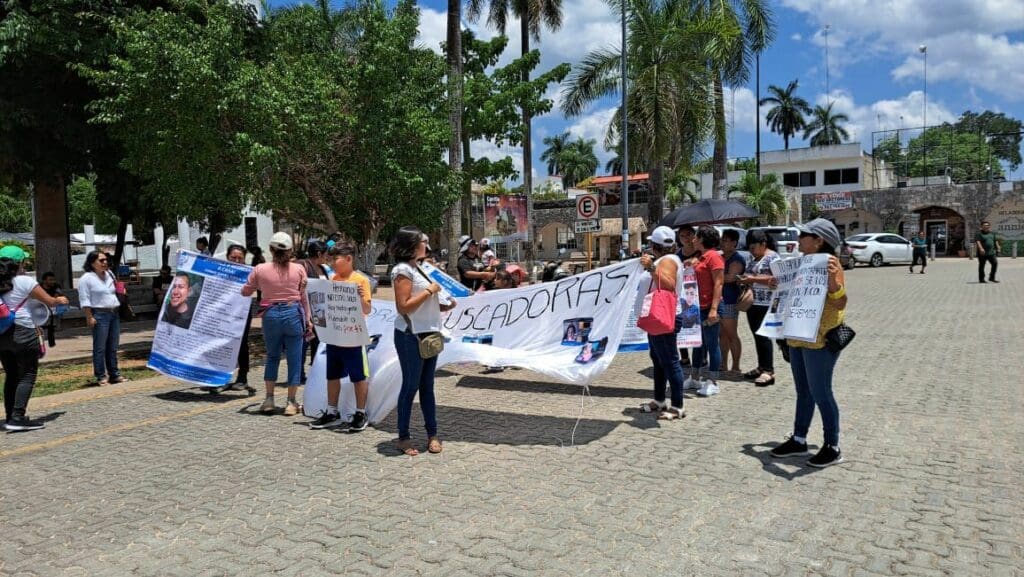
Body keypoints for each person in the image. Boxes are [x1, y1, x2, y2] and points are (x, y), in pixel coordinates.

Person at [770, 218, 848, 468]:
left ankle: (832, 446)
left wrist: (835, 284)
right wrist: (778, 283)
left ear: (818, 241)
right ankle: (799, 438)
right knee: (803, 391)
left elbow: (841, 303)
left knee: (821, 392)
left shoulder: (831, 265)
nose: (798, 237)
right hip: (797, 336)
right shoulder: (800, 263)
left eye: (804, 234)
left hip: (820, 339)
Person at [392, 226, 456, 455]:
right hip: (411, 335)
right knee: (410, 387)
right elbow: (404, 307)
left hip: (429, 333)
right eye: (423, 241)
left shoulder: (419, 268)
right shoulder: (402, 270)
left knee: (427, 387)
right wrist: (429, 291)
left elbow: (421, 302)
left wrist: (443, 304)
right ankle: (403, 437)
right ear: (411, 245)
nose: (427, 245)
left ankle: (433, 434)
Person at [241, 232, 312, 416]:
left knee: (272, 357)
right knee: (294, 358)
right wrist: (308, 319)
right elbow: (303, 297)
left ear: (271, 249)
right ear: (290, 251)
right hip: (293, 313)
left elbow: (245, 291)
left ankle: (269, 399)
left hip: (270, 314)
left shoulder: (260, 269)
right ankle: (291, 402)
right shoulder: (299, 269)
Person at [0, 247, 69, 430]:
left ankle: (10, 416)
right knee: (27, 374)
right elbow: (49, 301)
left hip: (2, 334)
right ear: (19, 263)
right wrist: (60, 300)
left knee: (12, 375)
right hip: (23, 331)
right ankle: (17, 418)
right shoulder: (23, 280)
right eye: (24, 261)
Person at [310, 240, 374, 432]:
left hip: (354, 337)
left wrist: (362, 297)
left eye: (335, 258)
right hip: (335, 336)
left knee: (358, 376)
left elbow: (367, 309)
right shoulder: (333, 280)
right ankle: (332, 411)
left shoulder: (361, 281)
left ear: (348, 259)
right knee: (333, 375)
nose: (332, 262)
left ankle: (360, 413)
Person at [637, 226, 686, 420]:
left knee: (669, 361)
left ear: (653, 245)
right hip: (659, 317)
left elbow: (668, 284)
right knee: (658, 359)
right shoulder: (667, 259)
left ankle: (677, 406)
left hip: (664, 317)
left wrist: (651, 267)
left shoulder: (667, 261)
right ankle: (659, 400)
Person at [685, 225, 724, 397]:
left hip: (710, 307)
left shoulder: (714, 257)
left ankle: (713, 381)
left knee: (712, 343)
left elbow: (719, 283)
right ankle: (694, 377)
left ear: (701, 239)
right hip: (697, 307)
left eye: (695, 236)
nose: (693, 239)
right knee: (697, 343)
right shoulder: (700, 257)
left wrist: (714, 309)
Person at [738, 230, 780, 386]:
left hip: (767, 304)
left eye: (754, 247)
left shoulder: (773, 258)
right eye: (749, 248)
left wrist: (752, 278)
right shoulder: (754, 258)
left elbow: (776, 279)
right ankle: (761, 366)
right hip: (753, 303)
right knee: (756, 336)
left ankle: (769, 370)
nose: (751, 250)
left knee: (764, 337)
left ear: (763, 244)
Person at [78, 250, 127, 386]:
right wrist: (89, 316)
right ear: (92, 263)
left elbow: (115, 291)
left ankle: (114, 374)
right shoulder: (86, 278)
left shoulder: (109, 274)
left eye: (106, 260)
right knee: (100, 347)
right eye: (101, 260)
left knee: (113, 346)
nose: (105, 262)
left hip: (113, 313)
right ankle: (101, 375)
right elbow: (85, 299)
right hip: (99, 314)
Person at [224, 245, 255, 392]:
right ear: (227, 258)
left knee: (241, 344)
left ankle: (242, 376)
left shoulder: (250, 273)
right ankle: (221, 377)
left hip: (242, 313)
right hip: (222, 314)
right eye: (233, 258)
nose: (236, 260)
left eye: (240, 258)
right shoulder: (219, 272)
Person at [299, 240, 331, 383]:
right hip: (307, 312)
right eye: (326, 254)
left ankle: (316, 371)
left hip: (321, 312)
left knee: (318, 344)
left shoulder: (323, 269)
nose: (328, 257)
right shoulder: (303, 266)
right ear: (319, 253)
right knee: (303, 344)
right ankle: (299, 374)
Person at [719, 229, 746, 376]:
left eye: (726, 240)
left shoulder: (737, 259)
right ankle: (723, 363)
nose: (722, 243)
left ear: (734, 243)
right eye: (722, 240)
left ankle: (736, 366)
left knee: (731, 334)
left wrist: (715, 275)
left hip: (730, 300)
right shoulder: (721, 257)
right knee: (722, 335)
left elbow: (730, 277)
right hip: (720, 300)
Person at [675, 225, 699, 369]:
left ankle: (700, 359)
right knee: (680, 326)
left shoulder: (701, 253)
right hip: (681, 295)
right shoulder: (677, 255)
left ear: (694, 236)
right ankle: (684, 358)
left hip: (698, 295)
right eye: (682, 236)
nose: (685, 238)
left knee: (697, 326)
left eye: (688, 235)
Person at [40, 272, 64, 348]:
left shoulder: (56, 286)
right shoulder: (39, 287)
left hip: (52, 308)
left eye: (53, 280)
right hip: (40, 307)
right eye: (50, 280)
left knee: (51, 325)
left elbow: (57, 297)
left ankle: (52, 343)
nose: (52, 282)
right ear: (44, 281)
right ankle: (40, 343)